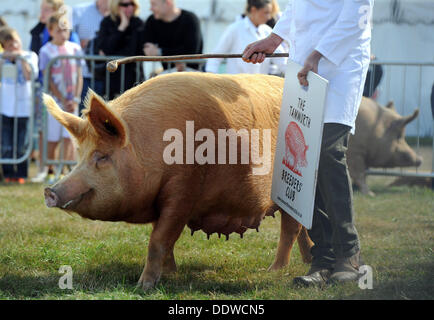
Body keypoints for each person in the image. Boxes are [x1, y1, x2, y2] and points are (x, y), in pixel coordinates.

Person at [243, 0, 373, 286]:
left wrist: (318, 55)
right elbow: (298, 7)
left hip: (341, 68)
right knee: (303, 157)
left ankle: (349, 253)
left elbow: (356, 18)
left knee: (328, 152)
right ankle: (324, 257)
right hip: (304, 67)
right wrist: (274, 38)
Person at [30, 0, 81, 183]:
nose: (63, 33)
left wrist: (75, 97)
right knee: (52, 137)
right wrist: (60, 98)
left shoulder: (75, 49)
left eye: (66, 29)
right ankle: (50, 168)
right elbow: (48, 78)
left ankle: (65, 169)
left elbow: (80, 74)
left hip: (71, 100)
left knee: (69, 136)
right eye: (59, 30)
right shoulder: (46, 50)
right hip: (55, 101)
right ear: (50, 31)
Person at [205, 0, 286, 75]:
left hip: (259, 86)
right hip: (235, 86)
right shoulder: (235, 29)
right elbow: (216, 56)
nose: (269, 17)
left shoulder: (268, 32)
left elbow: (282, 61)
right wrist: (210, 76)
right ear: (254, 10)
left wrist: (295, 74)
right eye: (266, 12)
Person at [0, 27, 38, 184]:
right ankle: (8, 173)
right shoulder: (2, 58)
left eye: (15, 43)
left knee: (22, 143)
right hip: (6, 107)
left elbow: (29, 76)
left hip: (24, 108)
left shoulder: (30, 56)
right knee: (6, 142)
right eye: (9, 45)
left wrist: (21, 59)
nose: (13, 48)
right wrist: (5, 58)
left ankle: (21, 173)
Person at [96, 0, 143, 99]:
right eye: (125, 5)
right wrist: (122, 27)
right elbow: (105, 48)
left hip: (134, 78)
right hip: (112, 79)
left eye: (132, 4)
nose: (130, 7)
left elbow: (133, 51)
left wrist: (111, 54)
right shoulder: (107, 22)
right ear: (116, 6)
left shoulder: (138, 23)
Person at [141, 0, 203, 72]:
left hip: (192, 72)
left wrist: (159, 51)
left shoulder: (190, 19)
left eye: (154, 4)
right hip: (168, 72)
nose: (150, 9)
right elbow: (147, 48)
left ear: (168, 3)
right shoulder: (152, 21)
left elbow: (191, 51)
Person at [73, 0, 110, 113]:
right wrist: (85, 44)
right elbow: (68, 38)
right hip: (84, 76)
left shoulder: (119, 11)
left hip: (109, 76)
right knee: (84, 116)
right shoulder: (79, 11)